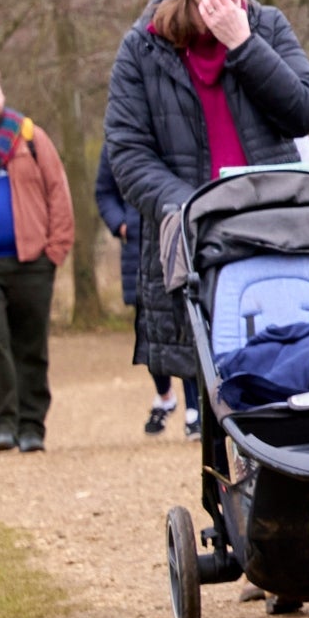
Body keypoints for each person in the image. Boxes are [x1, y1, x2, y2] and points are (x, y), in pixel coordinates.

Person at [103, 0, 309, 463]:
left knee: (294, 361)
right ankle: (236, 505)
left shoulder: (266, 24)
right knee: (218, 383)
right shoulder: (140, 53)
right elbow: (128, 154)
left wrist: (244, 45)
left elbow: (304, 110)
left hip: (276, 224)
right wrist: (190, 207)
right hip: (198, 238)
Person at [0, 76, 76, 452]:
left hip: (32, 262)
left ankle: (32, 425)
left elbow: (58, 191)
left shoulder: (28, 137)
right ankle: (4, 422)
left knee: (31, 345)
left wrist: (55, 251)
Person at [94, 147, 181, 435]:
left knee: (190, 323)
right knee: (149, 328)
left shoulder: (177, 129)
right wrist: (121, 224)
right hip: (137, 246)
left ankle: (196, 408)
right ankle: (165, 395)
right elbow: (104, 191)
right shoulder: (119, 141)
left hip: (179, 237)